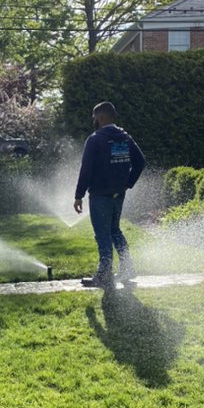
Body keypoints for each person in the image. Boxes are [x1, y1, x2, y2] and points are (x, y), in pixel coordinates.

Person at [73, 101, 145, 289]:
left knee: (103, 235)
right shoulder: (125, 138)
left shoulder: (95, 139)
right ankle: (127, 268)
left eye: (94, 117)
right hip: (118, 195)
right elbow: (141, 162)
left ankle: (104, 276)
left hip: (100, 196)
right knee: (115, 230)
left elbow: (86, 169)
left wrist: (79, 194)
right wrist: (127, 184)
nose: (93, 121)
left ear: (101, 117)